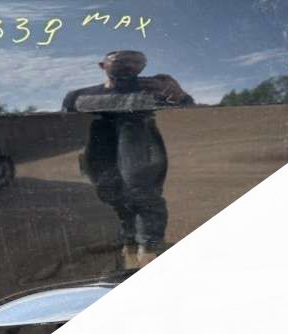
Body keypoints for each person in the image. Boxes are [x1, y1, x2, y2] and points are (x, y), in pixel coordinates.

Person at [62, 50, 193, 267]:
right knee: (108, 191)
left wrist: (179, 95)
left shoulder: (156, 91)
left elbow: (189, 114)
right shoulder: (77, 96)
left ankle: (149, 248)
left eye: (137, 61)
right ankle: (129, 240)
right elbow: (65, 127)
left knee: (142, 193)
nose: (129, 65)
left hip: (140, 141)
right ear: (102, 65)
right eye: (121, 61)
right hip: (98, 146)